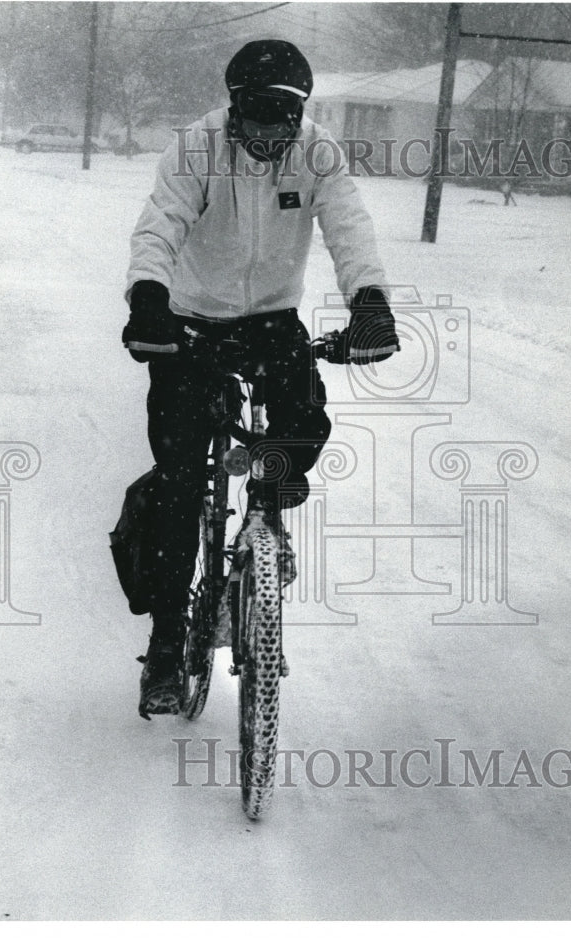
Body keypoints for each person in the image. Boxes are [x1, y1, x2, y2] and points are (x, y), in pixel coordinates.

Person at [121, 39, 399, 716]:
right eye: (258, 113)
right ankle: (165, 644)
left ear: (302, 114)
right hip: (189, 322)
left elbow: (350, 229)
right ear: (233, 106)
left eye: (286, 116)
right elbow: (161, 224)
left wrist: (369, 302)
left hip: (270, 319)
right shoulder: (195, 149)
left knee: (304, 415)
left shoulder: (318, 153)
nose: (273, 131)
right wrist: (149, 298)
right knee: (181, 486)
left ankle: (267, 514)